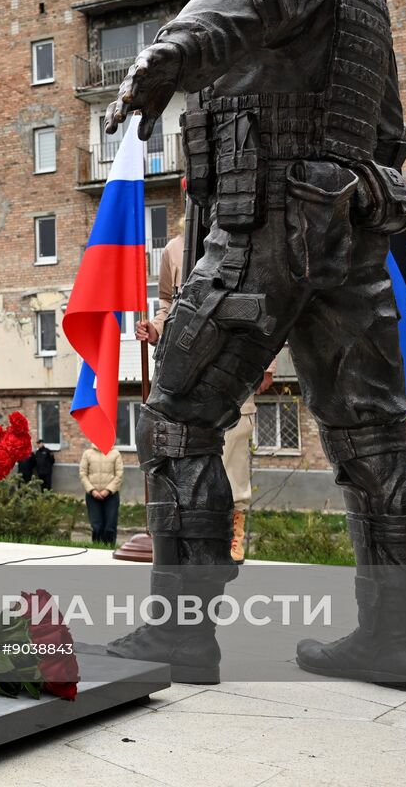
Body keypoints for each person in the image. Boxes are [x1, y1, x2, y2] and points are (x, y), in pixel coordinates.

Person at [101, 0, 406, 692]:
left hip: (266, 225)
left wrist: (159, 63)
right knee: (373, 438)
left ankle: (182, 637)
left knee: (180, 418)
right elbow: (391, 131)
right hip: (350, 233)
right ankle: (396, 643)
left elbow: (232, 11)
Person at [136, 233, 277, 563]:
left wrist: (267, 364)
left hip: (232, 357)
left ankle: (233, 527)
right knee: (177, 445)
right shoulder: (174, 248)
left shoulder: (245, 238)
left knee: (234, 443)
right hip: (183, 364)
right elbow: (169, 304)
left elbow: (269, 302)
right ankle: (184, 531)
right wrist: (155, 329)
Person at [79, 446, 124, 545]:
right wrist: (92, 490)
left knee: (110, 526)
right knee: (97, 526)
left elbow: (119, 475)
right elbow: (83, 474)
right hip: (92, 496)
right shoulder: (87, 453)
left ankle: (109, 548)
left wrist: (107, 490)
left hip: (111, 495)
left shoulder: (115, 453)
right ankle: (97, 548)